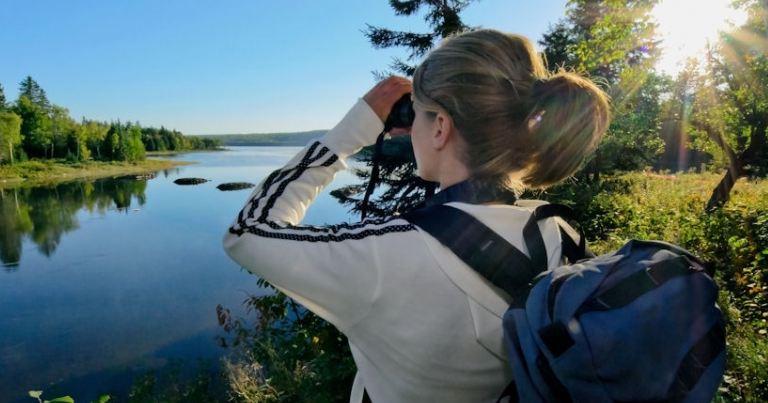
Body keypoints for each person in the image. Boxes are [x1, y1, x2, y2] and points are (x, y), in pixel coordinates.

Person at [223, 28, 611, 403]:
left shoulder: (386, 255)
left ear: (441, 127)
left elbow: (247, 232)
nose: (412, 130)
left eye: (420, 115)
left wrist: (349, 132)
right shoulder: (557, 233)